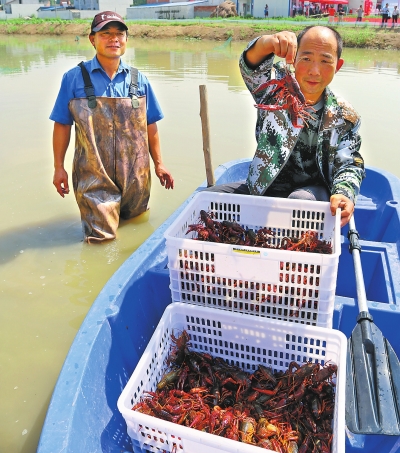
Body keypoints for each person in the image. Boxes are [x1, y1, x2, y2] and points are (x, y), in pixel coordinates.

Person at [206, 26, 365, 228]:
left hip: (311, 196)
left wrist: (344, 193)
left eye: (325, 61)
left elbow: (350, 164)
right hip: (264, 187)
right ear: (295, 58)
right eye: (306, 58)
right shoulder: (276, 89)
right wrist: (267, 43)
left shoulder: (345, 116)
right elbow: (252, 68)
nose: (314, 71)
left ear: (338, 65)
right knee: (205, 201)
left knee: (299, 201)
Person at [50, 11, 174, 243]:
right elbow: (62, 125)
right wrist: (58, 167)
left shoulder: (140, 80)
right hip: (93, 178)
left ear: (126, 39)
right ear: (92, 39)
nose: (113, 39)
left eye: (119, 34)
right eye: (105, 34)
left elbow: (150, 124)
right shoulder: (74, 78)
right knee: (100, 241)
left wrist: (159, 164)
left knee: (136, 231)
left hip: (136, 177)